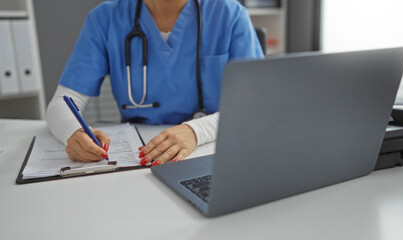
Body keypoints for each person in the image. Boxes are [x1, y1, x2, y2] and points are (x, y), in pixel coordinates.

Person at [46, 0, 264, 166]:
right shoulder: (105, 18)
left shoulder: (229, 14)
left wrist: (195, 131)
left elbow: (255, 106)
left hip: (215, 152)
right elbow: (62, 103)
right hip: (142, 158)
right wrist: (73, 133)